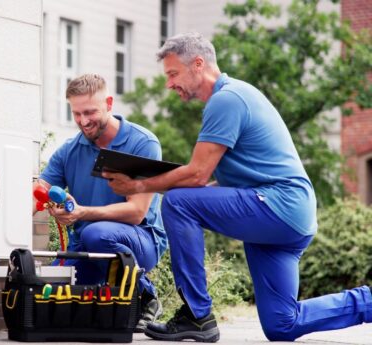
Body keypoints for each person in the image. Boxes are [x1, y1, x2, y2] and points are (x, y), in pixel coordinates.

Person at [104, 31, 372, 343]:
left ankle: (196, 314)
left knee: (177, 202)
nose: (169, 84)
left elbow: (197, 176)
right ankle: (367, 302)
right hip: (284, 216)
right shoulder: (233, 97)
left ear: (199, 64)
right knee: (282, 324)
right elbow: (211, 182)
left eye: (173, 74)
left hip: (278, 205)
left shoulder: (226, 100)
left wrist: (139, 185)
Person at [33, 73, 168, 332]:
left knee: (97, 232)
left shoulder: (142, 143)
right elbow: (39, 189)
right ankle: (115, 302)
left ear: (108, 103)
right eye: (76, 113)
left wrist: (81, 213)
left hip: (139, 241)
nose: (83, 121)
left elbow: (137, 212)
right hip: (85, 245)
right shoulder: (70, 150)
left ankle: (145, 294)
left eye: (90, 112)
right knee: (46, 297)